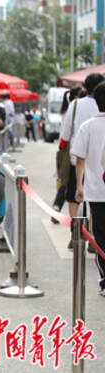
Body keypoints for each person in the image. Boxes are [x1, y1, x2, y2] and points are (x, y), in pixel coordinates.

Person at [60, 73, 105, 248]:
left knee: (74, 199)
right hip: (93, 172)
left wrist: (80, 184)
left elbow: (65, 135)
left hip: (82, 166)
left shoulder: (76, 105)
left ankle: (76, 232)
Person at [72, 82, 105, 296]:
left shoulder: (88, 126)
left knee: (100, 236)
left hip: (96, 191)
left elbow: (80, 160)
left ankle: (104, 281)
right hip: (96, 189)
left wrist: (79, 185)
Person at [50, 87, 83, 223]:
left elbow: (64, 137)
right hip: (74, 157)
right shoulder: (74, 108)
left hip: (71, 156)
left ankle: (57, 208)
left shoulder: (69, 109)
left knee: (66, 183)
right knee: (70, 186)